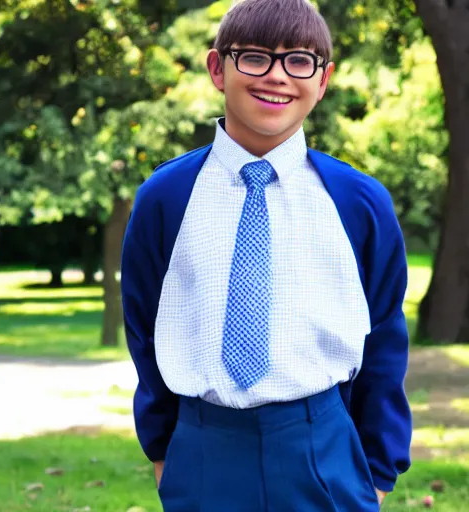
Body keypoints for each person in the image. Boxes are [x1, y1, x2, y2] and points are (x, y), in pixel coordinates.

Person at [120, 0, 412, 510]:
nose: (277, 76)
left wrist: (377, 470)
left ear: (322, 80)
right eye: (254, 57)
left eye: (299, 61)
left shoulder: (360, 202)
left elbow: (384, 335)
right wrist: (166, 451)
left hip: (321, 448)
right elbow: (144, 326)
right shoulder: (166, 197)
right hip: (204, 449)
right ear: (218, 68)